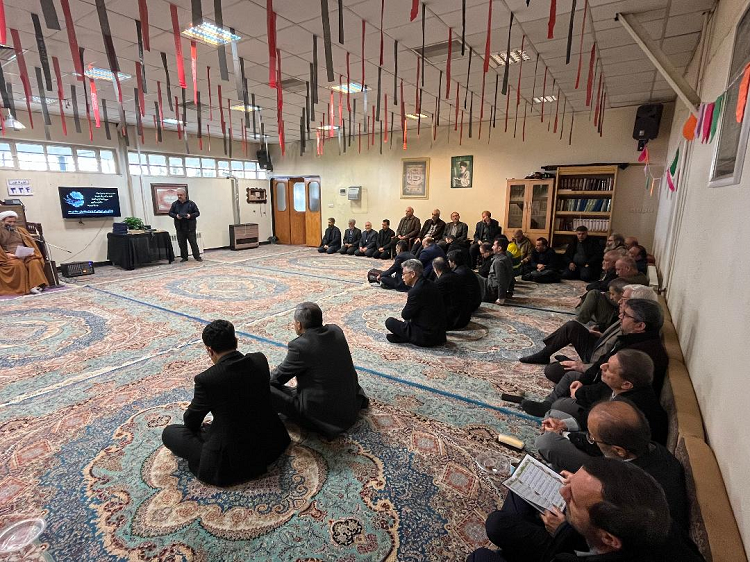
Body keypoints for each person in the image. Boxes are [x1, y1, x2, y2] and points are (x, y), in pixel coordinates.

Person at [470, 458, 704, 562]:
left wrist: (562, 531)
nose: (562, 492)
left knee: (480, 556)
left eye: (573, 499)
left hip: (567, 549)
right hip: (579, 543)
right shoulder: (656, 522)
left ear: (608, 538)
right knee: (522, 489)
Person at [161, 320, 291, 487]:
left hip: (234, 459)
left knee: (170, 432)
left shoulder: (207, 379)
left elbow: (191, 421)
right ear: (236, 341)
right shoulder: (259, 359)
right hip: (272, 442)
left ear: (209, 350)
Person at [534, 400, 689, 529]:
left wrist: (562, 529)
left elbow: (608, 538)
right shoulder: (650, 448)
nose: (591, 440)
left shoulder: (633, 493)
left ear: (619, 451)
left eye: (592, 438)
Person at [520, 299, 669, 416]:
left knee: (560, 404)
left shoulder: (641, 353)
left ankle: (558, 406)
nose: (620, 317)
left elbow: (610, 388)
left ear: (640, 326)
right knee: (570, 376)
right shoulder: (632, 338)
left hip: (613, 400)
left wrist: (580, 392)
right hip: (602, 380)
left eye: (625, 315)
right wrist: (583, 380)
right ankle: (547, 404)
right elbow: (602, 362)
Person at [515, 284, 657, 384]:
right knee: (572, 326)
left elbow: (610, 362)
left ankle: (572, 362)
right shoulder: (629, 317)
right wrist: (601, 335)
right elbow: (612, 342)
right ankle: (544, 354)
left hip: (596, 364)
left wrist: (582, 367)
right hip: (597, 348)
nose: (620, 301)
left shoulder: (633, 327)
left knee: (552, 370)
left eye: (624, 299)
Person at [269, 302, 369, 439]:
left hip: (323, 416)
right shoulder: (336, 330)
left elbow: (277, 378)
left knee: (263, 385)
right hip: (350, 404)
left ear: (299, 324)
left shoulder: (300, 346)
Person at [536, 349, 668, 445]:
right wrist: (563, 424)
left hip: (611, 461)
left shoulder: (625, 411)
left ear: (626, 384)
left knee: (546, 442)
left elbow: (598, 447)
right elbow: (590, 414)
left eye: (609, 368)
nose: (602, 366)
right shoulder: (621, 388)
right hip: (599, 439)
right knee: (553, 415)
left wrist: (563, 433)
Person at [385, 259, 447, 347]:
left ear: (412, 274)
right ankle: (405, 337)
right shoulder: (431, 283)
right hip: (440, 335)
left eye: (404, 274)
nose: (402, 277)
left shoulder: (416, 291)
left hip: (427, 336)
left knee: (390, 322)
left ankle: (408, 337)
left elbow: (405, 315)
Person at [576, 257, 647, 325]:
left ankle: (580, 321)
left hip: (615, 315)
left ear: (627, 268)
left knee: (593, 294)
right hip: (615, 310)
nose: (616, 273)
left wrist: (606, 294)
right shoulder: (636, 278)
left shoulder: (633, 283)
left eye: (618, 269)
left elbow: (619, 301)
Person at [0, 210, 47, 296]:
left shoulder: (21, 230)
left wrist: (30, 252)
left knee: (35, 262)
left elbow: (29, 243)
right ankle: (22, 289)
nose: (12, 224)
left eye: (14, 222)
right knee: (18, 264)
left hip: (24, 254)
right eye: (9, 222)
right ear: (2, 221)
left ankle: (35, 286)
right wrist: (8, 255)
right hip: (8, 256)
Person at [433, 257, 470, 330]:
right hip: (465, 317)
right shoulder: (457, 275)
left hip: (453, 321)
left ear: (436, 270)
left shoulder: (441, 282)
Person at [168, 189, 202, 262]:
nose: (179, 196)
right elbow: (170, 213)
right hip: (179, 227)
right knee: (182, 243)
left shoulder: (191, 203)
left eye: (181, 195)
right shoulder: (175, 204)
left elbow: (197, 213)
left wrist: (190, 216)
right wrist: (176, 216)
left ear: (185, 195)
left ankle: (197, 256)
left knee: (193, 242)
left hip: (190, 227)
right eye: (178, 195)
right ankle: (184, 257)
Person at [478, 238, 514, 304]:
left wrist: (501, 298)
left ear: (499, 248)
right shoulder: (507, 257)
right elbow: (511, 275)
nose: (492, 247)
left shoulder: (498, 262)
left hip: (492, 291)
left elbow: (501, 281)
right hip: (492, 285)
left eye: (494, 245)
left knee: (472, 276)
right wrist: (510, 291)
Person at [448, 249, 481, 323]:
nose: (448, 262)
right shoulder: (464, 268)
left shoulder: (459, 273)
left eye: (449, 260)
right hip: (475, 301)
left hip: (471, 304)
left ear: (453, 262)